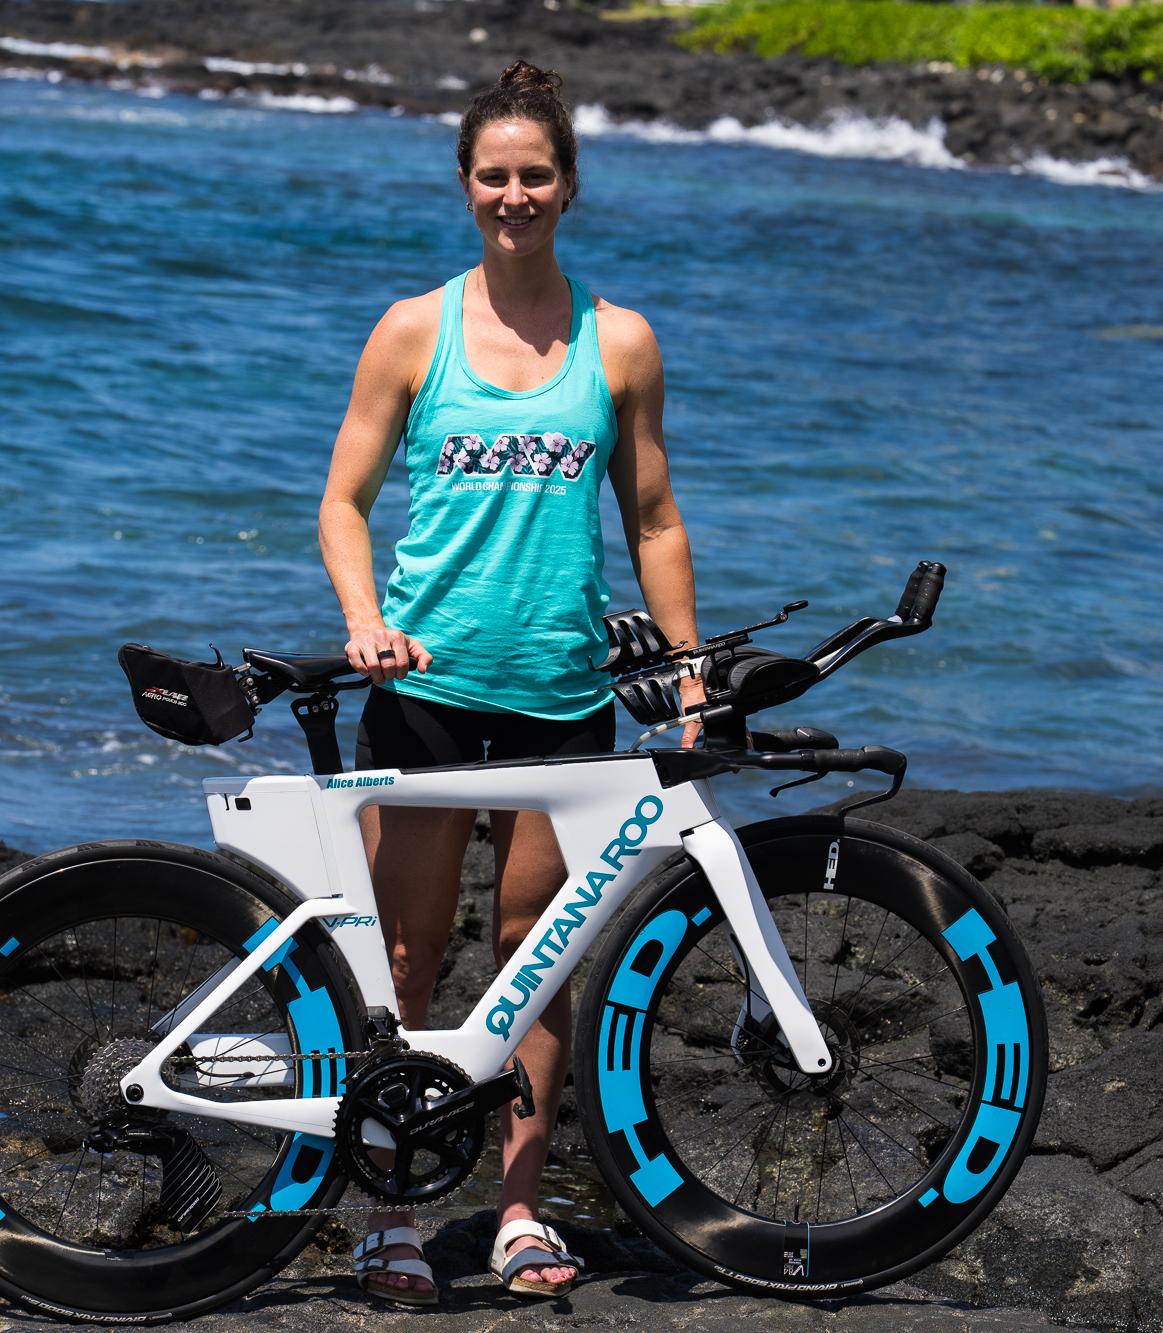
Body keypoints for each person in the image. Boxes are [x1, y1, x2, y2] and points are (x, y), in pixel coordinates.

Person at [317, 60, 704, 1306]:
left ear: (570, 184)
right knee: (402, 963)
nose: (514, 195)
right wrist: (365, 622)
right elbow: (342, 503)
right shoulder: (413, 330)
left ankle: (519, 1211)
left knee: (534, 966)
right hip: (425, 696)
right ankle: (386, 1214)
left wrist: (688, 673)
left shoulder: (618, 340)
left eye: (535, 174)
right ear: (464, 183)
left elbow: (652, 519)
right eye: (494, 175)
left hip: (562, 700)